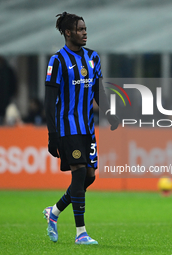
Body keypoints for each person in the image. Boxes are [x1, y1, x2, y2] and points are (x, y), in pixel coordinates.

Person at [43, 12, 119, 245]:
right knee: (78, 173)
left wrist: (108, 112)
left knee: (89, 176)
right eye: (80, 29)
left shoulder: (93, 57)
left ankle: (54, 212)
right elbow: (49, 101)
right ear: (68, 32)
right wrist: (52, 135)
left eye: (85, 29)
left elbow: (98, 90)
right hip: (68, 127)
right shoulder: (56, 61)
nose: (85, 33)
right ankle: (80, 233)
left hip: (87, 127)